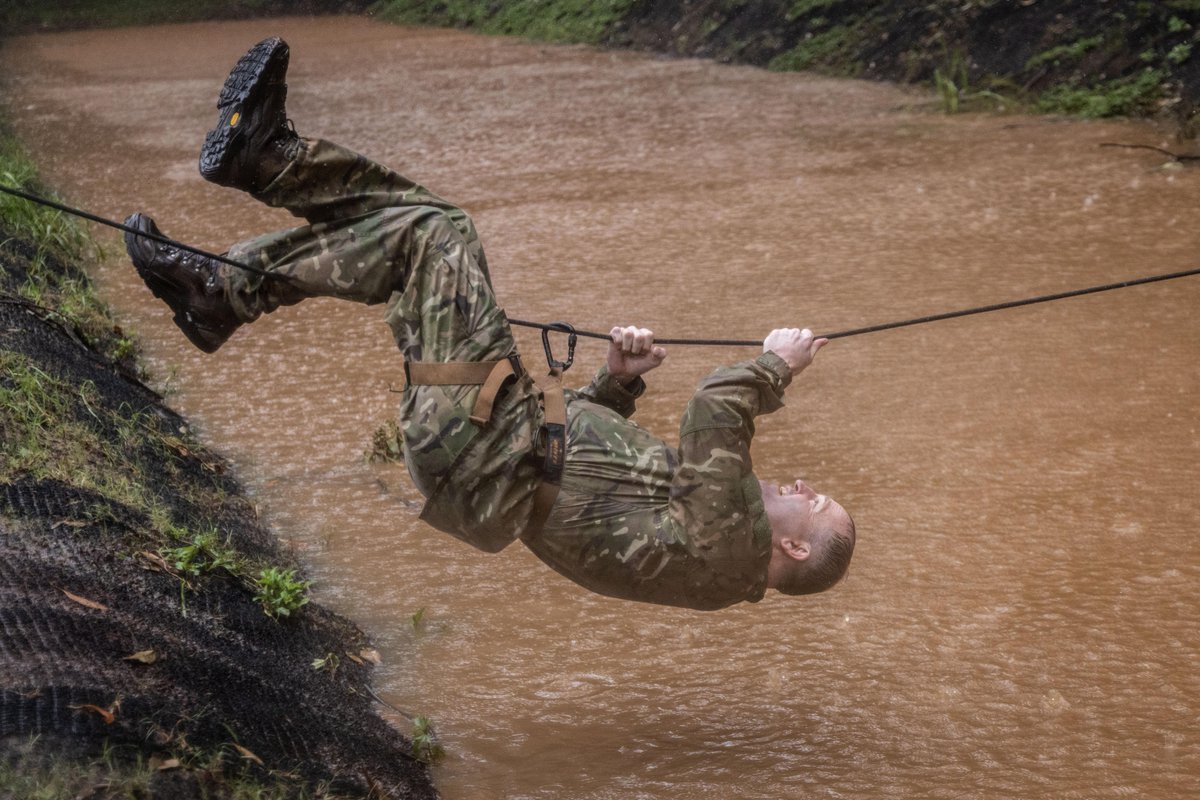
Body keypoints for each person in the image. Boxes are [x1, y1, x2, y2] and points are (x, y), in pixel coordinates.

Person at [124, 37, 855, 611]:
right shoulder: (709, 537)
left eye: (813, 500)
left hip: (487, 447)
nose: (800, 482)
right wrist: (618, 383)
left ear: (794, 549)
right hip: (493, 443)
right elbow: (591, 472)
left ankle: (243, 239)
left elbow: (715, 412)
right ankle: (258, 194)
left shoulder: (730, 552)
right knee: (419, 233)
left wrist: (775, 364)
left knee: (442, 234)